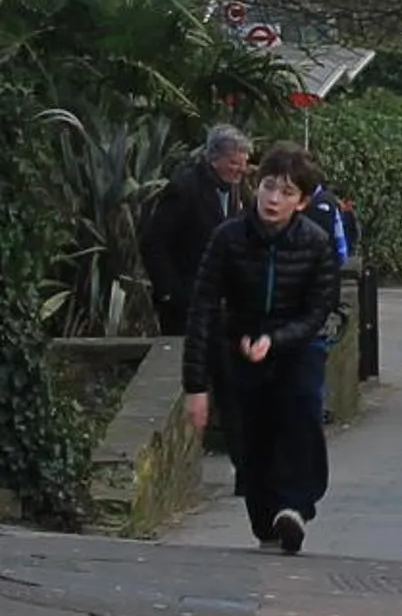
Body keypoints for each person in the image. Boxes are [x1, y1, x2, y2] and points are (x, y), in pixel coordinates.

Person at [180, 143, 341, 554]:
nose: (273, 199)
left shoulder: (316, 243)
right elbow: (202, 308)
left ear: (302, 202)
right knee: (251, 438)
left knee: (300, 415)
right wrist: (195, 386)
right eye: (269, 187)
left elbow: (319, 308)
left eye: (287, 192)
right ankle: (268, 524)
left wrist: (277, 339)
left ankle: (295, 508)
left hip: (295, 346)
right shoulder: (228, 237)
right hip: (241, 344)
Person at [141, 125, 253, 336]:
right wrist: (169, 293)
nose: (241, 169)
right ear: (214, 159)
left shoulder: (236, 189)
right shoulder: (184, 188)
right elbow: (153, 241)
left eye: (244, 163)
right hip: (185, 303)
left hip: (220, 304)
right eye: (234, 163)